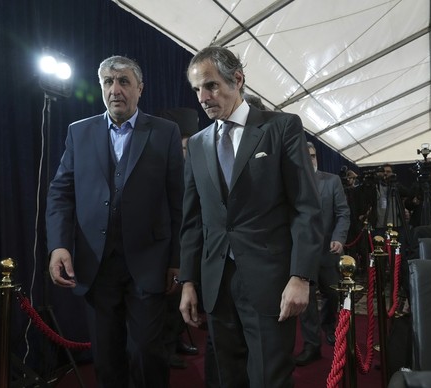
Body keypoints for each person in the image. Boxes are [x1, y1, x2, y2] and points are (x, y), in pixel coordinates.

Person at [178, 45, 323, 388]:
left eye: (211, 85)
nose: (203, 96)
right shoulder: (197, 144)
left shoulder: (282, 127)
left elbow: (306, 206)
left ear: (238, 80)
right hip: (216, 282)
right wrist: (187, 281)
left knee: (270, 378)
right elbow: (192, 219)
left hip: (271, 281)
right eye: (197, 89)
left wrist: (300, 275)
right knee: (229, 378)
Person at [46, 55, 184, 387]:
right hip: (96, 265)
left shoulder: (165, 132)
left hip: (149, 262)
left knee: (147, 354)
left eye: (123, 81)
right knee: (106, 359)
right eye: (108, 81)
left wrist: (178, 260)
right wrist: (59, 246)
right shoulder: (79, 133)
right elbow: (61, 194)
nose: (115, 89)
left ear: (140, 88)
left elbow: (178, 200)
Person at [295, 142, 350, 366]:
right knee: (305, 303)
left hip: (328, 253)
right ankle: (311, 345)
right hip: (301, 255)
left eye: (313, 155)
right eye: (306, 156)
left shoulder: (332, 181)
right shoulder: (292, 183)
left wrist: (339, 237)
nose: (311, 159)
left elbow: (343, 213)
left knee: (333, 294)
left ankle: (329, 326)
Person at [156, 107, 201, 369]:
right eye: (184, 149)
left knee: (178, 301)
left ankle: (176, 339)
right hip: (167, 246)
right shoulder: (163, 170)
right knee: (166, 300)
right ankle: (165, 348)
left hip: (189, 245)